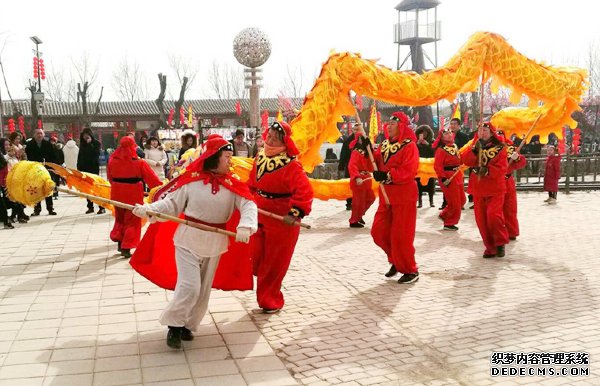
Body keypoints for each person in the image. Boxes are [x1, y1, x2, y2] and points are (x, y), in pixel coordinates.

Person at [131, 135, 257, 348]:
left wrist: (246, 225)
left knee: (203, 289)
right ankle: (173, 325)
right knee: (189, 286)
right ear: (213, 157)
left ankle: (188, 325)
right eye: (226, 157)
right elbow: (171, 204)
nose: (230, 161)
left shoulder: (232, 184)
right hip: (188, 239)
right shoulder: (191, 182)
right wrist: (149, 209)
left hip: (215, 242)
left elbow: (248, 205)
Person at [248, 121, 313, 313]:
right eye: (269, 136)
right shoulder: (259, 159)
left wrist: (295, 213)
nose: (271, 139)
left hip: (282, 219)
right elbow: (251, 184)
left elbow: (305, 192)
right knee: (256, 256)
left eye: (276, 138)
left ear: (284, 142)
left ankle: (270, 299)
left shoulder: (292, 166)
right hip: (258, 214)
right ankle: (266, 291)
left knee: (274, 263)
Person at [371, 112, 420, 284]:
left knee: (401, 236)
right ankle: (395, 260)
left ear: (402, 127)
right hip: (386, 195)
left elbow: (409, 170)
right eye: (388, 123)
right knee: (378, 231)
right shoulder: (384, 145)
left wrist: (387, 175)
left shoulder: (409, 146)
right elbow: (375, 161)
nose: (389, 126)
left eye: (393, 123)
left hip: (404, 195)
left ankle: (410, 269)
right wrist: (365, 149)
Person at [107, 136, 162, 258]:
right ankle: (126, 246)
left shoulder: (112, 160)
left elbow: (110, 178)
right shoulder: (139, 162)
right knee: (132, 220)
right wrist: (161, 187)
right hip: (133, 193)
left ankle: (119, 240)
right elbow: (153, 180)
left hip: (117, 193)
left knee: (120, 218)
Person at [462, 122, 509, 258]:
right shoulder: (475, 145)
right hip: (478, 188)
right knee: (481, 220)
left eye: (485, 130)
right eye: (480, 130)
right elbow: (465, 161)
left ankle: (500, 243)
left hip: (495, 188)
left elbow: (502, 168)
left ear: (491, 132)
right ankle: (490, 247)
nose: (482, 133)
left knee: (493, 216)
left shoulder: (500, 148)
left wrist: (487, 170)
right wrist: (474, 151)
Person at [433, 126, 466, 231]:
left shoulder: (455, 146)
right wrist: (442, 178)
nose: (449, 134)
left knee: (462, 200)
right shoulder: (441, 150)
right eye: (446, 133)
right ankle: (449, 222)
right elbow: (437, 166)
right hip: (448, 177)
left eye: (450, 132)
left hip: (457, 175)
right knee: (454, 202)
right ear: (441, 137)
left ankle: (444, 214)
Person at [498, 130, 527, 240]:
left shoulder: (511, 147)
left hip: (508, 180)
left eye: (501, 134)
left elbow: (521, 163)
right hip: (495, 181)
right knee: (496, 209)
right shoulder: (489, 147)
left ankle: (512, 231)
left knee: (510, 207)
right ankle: (498, 231)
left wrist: (517, 158)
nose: (500, 136)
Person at [25, 128, 57, 216]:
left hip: (46, 169)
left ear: (43, 134)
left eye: (41, 133)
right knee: (35, 189)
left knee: (48, 188)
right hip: (35, 170)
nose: (39, 135)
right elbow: (28, 158)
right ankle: (37, 209)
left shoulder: (48, 144)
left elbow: (53, 157)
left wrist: (52, 167)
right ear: (34, 135)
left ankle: (50, 208)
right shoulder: (30, 145)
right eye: (37, 133)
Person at [347, 125, 375, 228]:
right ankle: (354, 220)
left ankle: (359, 215)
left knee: (370, 198)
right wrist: (357, 177)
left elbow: (371, 164)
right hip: (359, 180)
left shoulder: (366, 153)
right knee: (358, 202)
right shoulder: (356, 152)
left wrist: (370, 149)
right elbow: (352, 165)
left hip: (365, 180)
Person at [77, 128, 105, 214]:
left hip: (93, 168)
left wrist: (90, 144)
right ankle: (90, 207)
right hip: (84, 169)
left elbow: (95, 154)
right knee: (87, 189)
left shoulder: (96, 143)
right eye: (84, 135)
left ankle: (101, 207)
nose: (85, 136)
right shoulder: (82, 144)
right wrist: (78, 166)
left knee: (96, 188)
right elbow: (80, 156)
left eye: (87, 134)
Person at [338, 124, 359, 210]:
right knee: (350, 185)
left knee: (359, 186)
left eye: (358, 129)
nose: (356, 131)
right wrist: (341, 165)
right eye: (355, 129)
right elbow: (343, 154)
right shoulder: (347, 141)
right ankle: (349, 203)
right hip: (350, 166)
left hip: (360, 167)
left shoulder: (363, 140)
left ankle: (358, 202)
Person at [415, 125, 435, 208]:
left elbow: (434, 152)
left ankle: (431, 201)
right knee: (418, 184)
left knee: (431, 183)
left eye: (425, 132)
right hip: (419, 165)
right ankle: (420, 202)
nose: (424, 134)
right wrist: (417, 144)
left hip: (429, 165)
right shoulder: (415, 142)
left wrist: (428, 144)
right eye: (422, 132)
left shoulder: (432, 142)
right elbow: (413, 152)